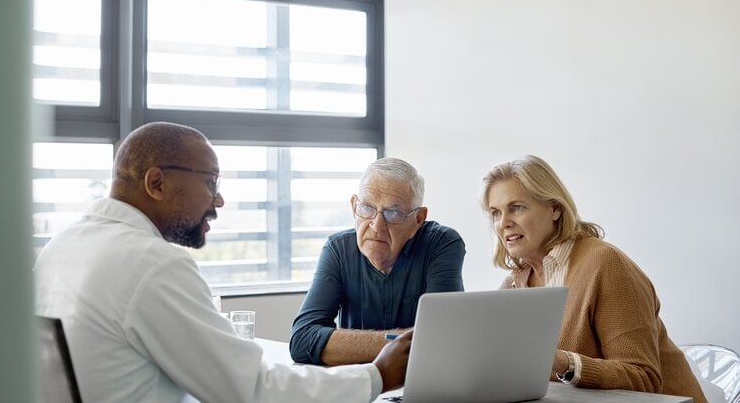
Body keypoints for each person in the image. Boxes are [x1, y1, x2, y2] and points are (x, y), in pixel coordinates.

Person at [34, 122, 412, 403]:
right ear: (157, 183)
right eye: (211, 182)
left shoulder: (61, 247)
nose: (219, 201)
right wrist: (376, 376)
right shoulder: (150, 264)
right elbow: (251, 390)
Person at [479, 155, 707, 403]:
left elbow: (643, 377)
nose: (504, 224)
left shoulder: (605, 264)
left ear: (555, 209)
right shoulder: (512, 286)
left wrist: (561, 361)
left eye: (517, 208)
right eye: (495, 213)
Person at [290, 157, 465, 366]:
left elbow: (443, 340)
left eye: (393, 212)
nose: (377, 225)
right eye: (367, 208)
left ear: (418, 219)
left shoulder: (441, 244)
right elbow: (302, 341)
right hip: (358, 385)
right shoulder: (338, 249)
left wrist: (345, 345)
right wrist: (409, 341)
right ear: (354, 206)